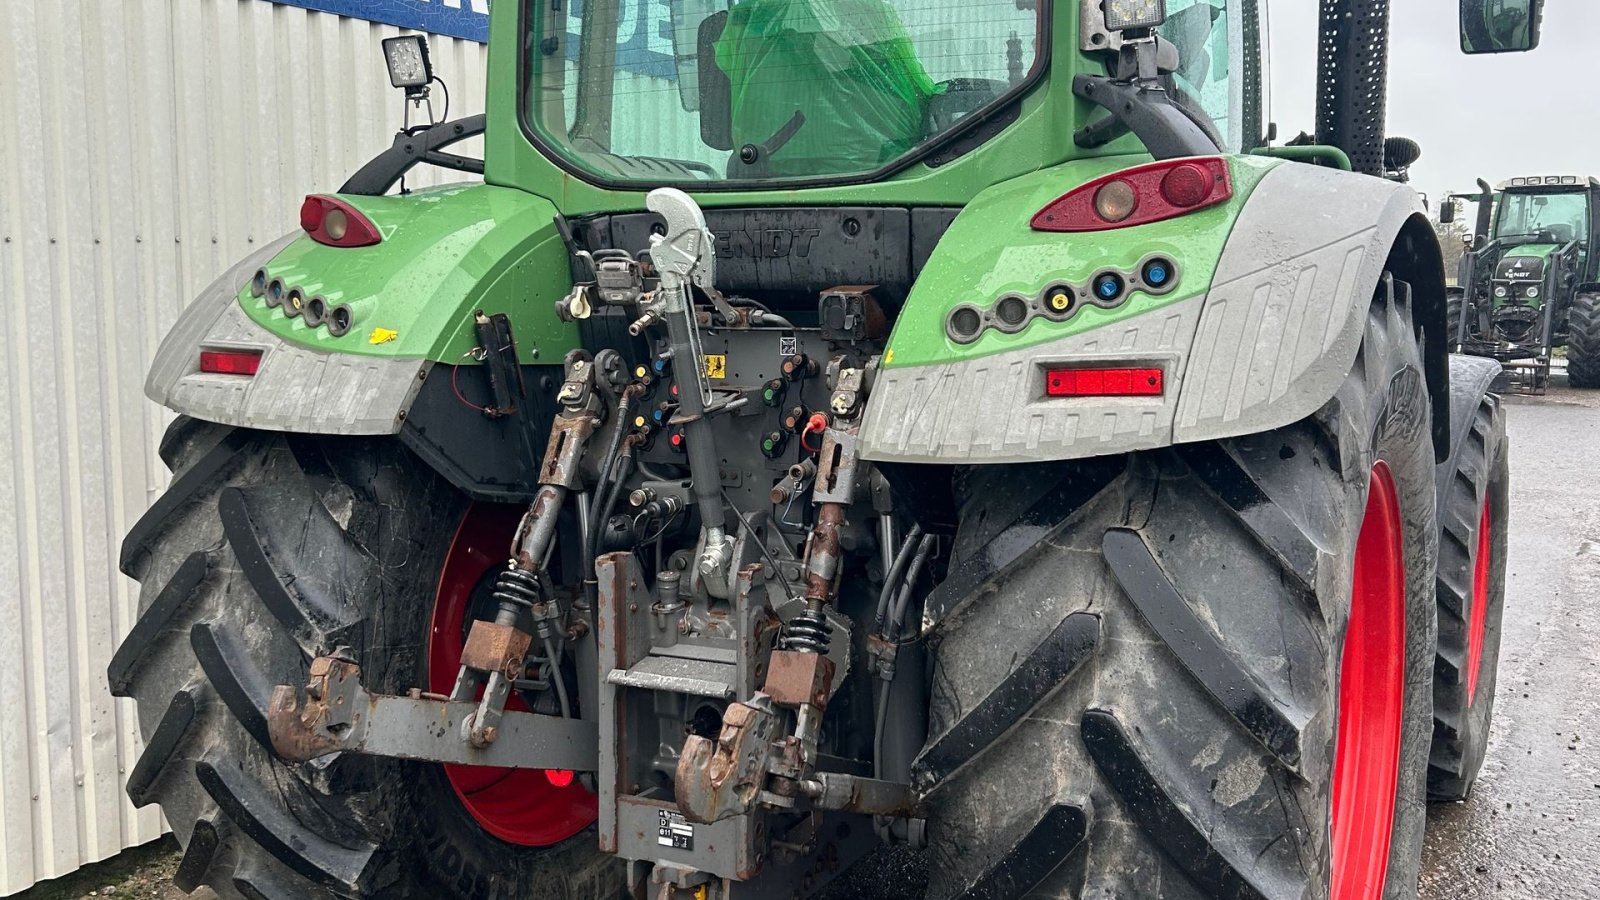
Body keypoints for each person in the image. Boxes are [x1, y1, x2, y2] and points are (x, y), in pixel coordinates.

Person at [713, 0, 937, 177]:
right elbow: (918, 95)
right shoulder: (873, 15)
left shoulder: (748, 20)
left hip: (763, 175)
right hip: (891, 176)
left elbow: (726, 73)